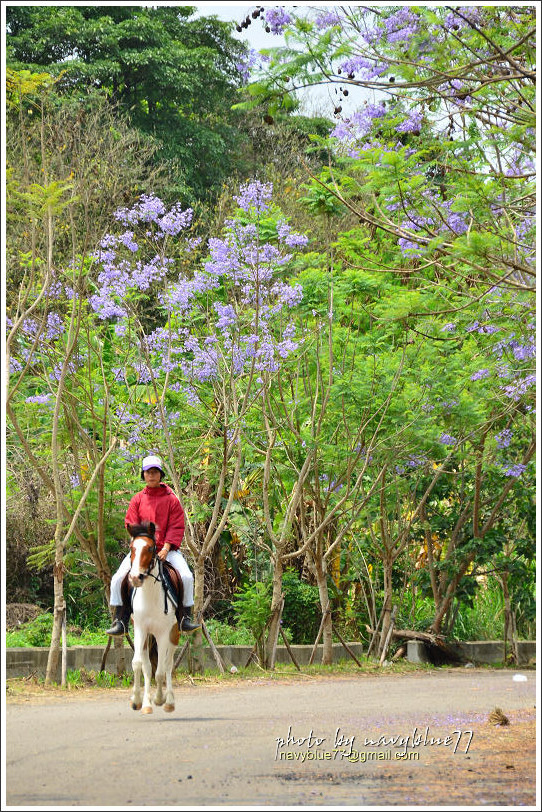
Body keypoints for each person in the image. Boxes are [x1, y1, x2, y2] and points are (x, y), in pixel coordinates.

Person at [106, 454, 201, 636]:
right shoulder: (137, 500)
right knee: (117, 579)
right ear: (143, 475)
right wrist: (140, 542)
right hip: (143, 550)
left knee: (187, 577)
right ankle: (121, 620)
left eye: (155, 472)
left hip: (168, 550)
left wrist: (166, 547)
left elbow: (176, 525)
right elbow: (131, 523)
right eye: (148, 472)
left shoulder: (171, 499)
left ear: (160, 474)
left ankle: (184, 618)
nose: (151, 475)